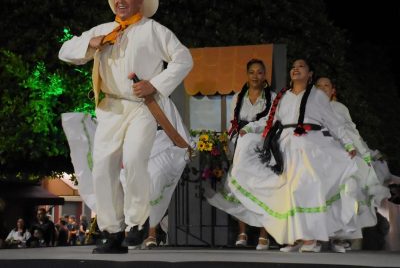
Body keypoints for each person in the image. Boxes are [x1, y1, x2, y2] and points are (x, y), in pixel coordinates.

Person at [59, 0, 193, 254]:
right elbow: (65, 51)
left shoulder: (155, 30)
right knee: (104, 168)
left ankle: (137, 222)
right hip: (109, 107)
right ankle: (112, 232)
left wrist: (155, 84)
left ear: (139, 1)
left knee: (134, 159)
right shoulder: (103, 30)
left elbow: (184, 59)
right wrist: (89, 44)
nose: (120, 0)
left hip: (142, 106)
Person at [228, 58, 360, 253]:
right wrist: (249, 128)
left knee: (309, 189)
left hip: (311, 146)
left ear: (310, 74)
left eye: (301, 67)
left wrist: (348, 143)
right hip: (286, 148)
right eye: (293, 67)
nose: (296, 69)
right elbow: (270, 120)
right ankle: (296, 237)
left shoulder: (318, 96)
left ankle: (311, 239)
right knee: (290, 192)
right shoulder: (283, 96)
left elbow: (334, 123)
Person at [61, 96, 193, 249]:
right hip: (133, 144)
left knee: (152, 186)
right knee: (123, 188)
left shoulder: (161, 98)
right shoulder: (122, 97)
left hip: (159, 144)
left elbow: (173, 123)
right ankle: (125, 233)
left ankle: (151, 233)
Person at [205, 59, 276, 250]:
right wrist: (227, 145)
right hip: (239, 143)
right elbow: (232, 122)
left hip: (261, 144)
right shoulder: (238, 96)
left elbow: (271, 121)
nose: (255, 76)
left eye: (259, 72)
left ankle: (264, 234)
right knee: (237, 184)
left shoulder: (273, 97)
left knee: (262, 188)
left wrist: (251, 130)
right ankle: (242, 232)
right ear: (247, 75)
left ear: (265, 75)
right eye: (251, 72)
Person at [315, 76, 391, 251]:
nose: (322, 88)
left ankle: (339, 237)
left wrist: (367, 153)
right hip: (319, 156)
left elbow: (352, 133)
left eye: (326, 85)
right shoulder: (310, 107)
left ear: (333, 90)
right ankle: (317, 237)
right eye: (319, 85)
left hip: (342, 156)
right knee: (321, 196)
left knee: (344, 194)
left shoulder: (338, 108)